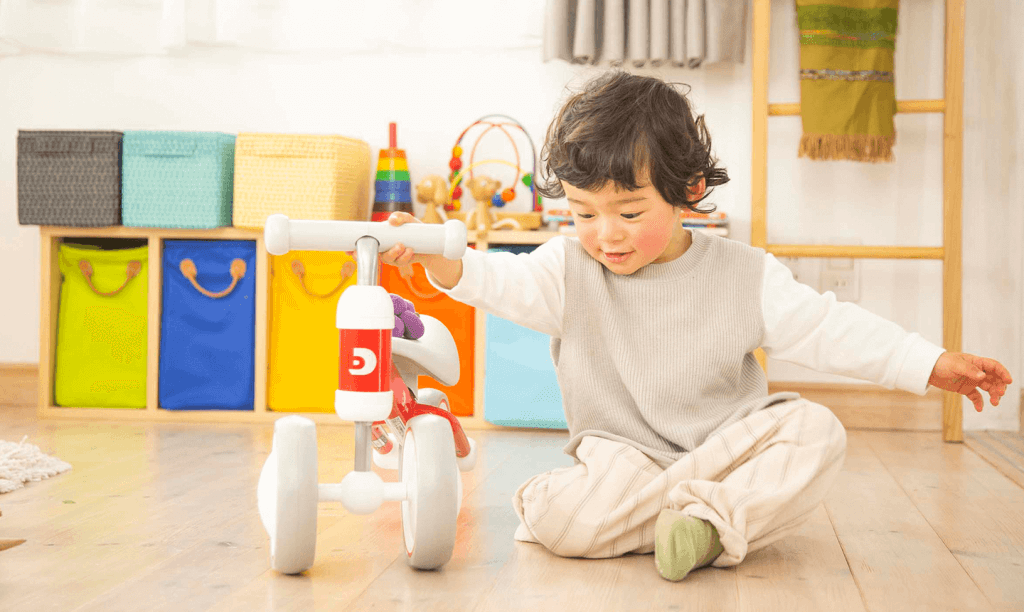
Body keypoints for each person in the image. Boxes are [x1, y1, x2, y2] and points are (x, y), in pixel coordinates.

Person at [380, 70, 1012, 582]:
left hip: (726, 453)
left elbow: (829, 328)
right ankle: (700, 522)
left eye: (629, 210)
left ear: (688, 191)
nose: (606, 234)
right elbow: (497, 281)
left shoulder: (745, 275)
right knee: (556, 519)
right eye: (584, 213)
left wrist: (929, 363)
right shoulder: (567, 271)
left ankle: (706, 520)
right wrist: (438, 252)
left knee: (816, 430)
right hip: (624, 458)